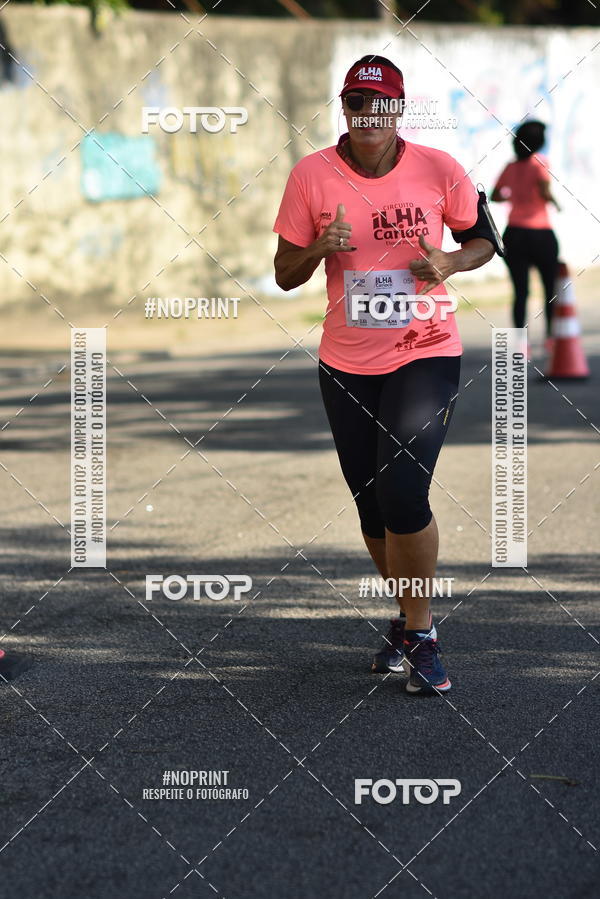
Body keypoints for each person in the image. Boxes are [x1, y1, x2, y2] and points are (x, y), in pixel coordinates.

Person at [273, 55, 496, 694]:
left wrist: (451, 262)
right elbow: (285, 272)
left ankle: (423, 636)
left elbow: (482, 237)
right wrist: (321, 247)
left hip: (425, 347)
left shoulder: (438, 168)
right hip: (345, 361)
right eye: (354, 103)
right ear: (343, 108)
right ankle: (405, 617)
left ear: (397, 110)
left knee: (403, 490)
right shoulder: (311, 175)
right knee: (370, 504)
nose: (365, 115)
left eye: (378, 104)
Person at [492, 120, 561, 353]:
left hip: (514, 234)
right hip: (541, 233)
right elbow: (544, 190)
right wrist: (555, 203)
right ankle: (551, 338)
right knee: (549, 288)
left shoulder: (510, 167)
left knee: (520, 291)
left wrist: (513, 197)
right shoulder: (540, 163)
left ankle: (521, 344)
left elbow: (495, 195)